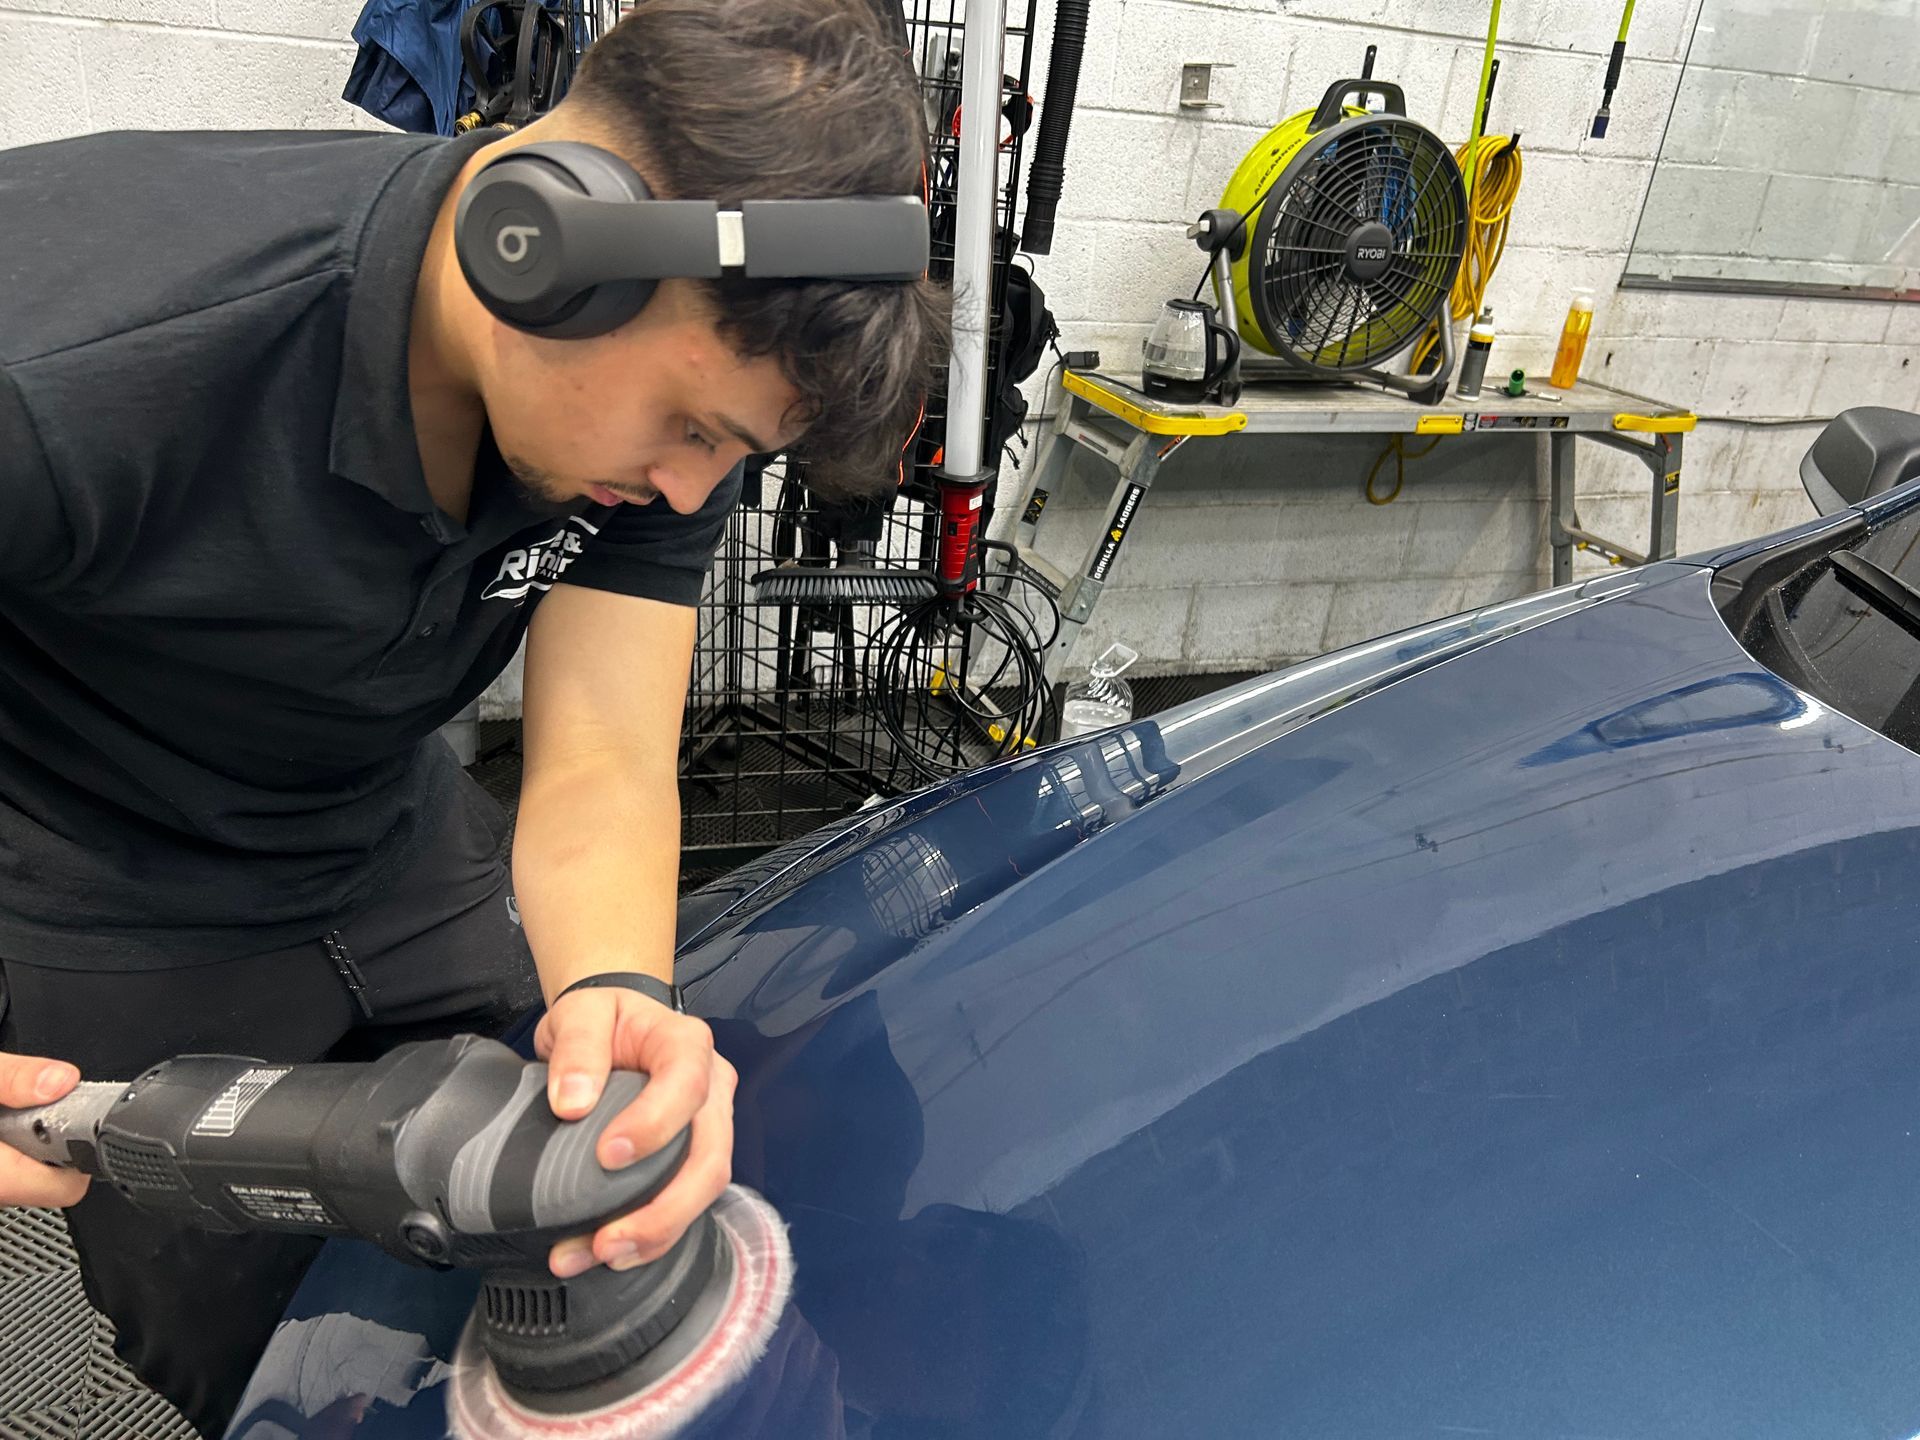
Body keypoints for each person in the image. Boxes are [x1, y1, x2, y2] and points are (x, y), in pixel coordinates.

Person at [0, 0, 942, 1431]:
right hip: (111, 893)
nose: (696, 491)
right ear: (547, 253)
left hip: (386, 829)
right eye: (693, 431)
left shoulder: (673, 393)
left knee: (563, 1200)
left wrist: (620, 992)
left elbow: (607, 758)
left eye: (733, 456)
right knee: (279, 1355)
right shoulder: (82, 351)